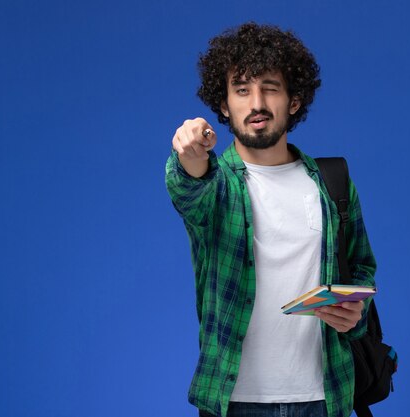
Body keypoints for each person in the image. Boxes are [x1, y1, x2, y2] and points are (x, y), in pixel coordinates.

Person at [165, 22, 376, 417]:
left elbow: (361, 267)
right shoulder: (216, 186)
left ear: (293, 101)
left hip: (324, 397)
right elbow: (187, 188)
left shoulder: (333, 184)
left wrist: (354, 313)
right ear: (224, 105)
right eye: (242, 89)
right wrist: (189, 154)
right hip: (234, 401)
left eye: (270, 88)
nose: (257, 102)